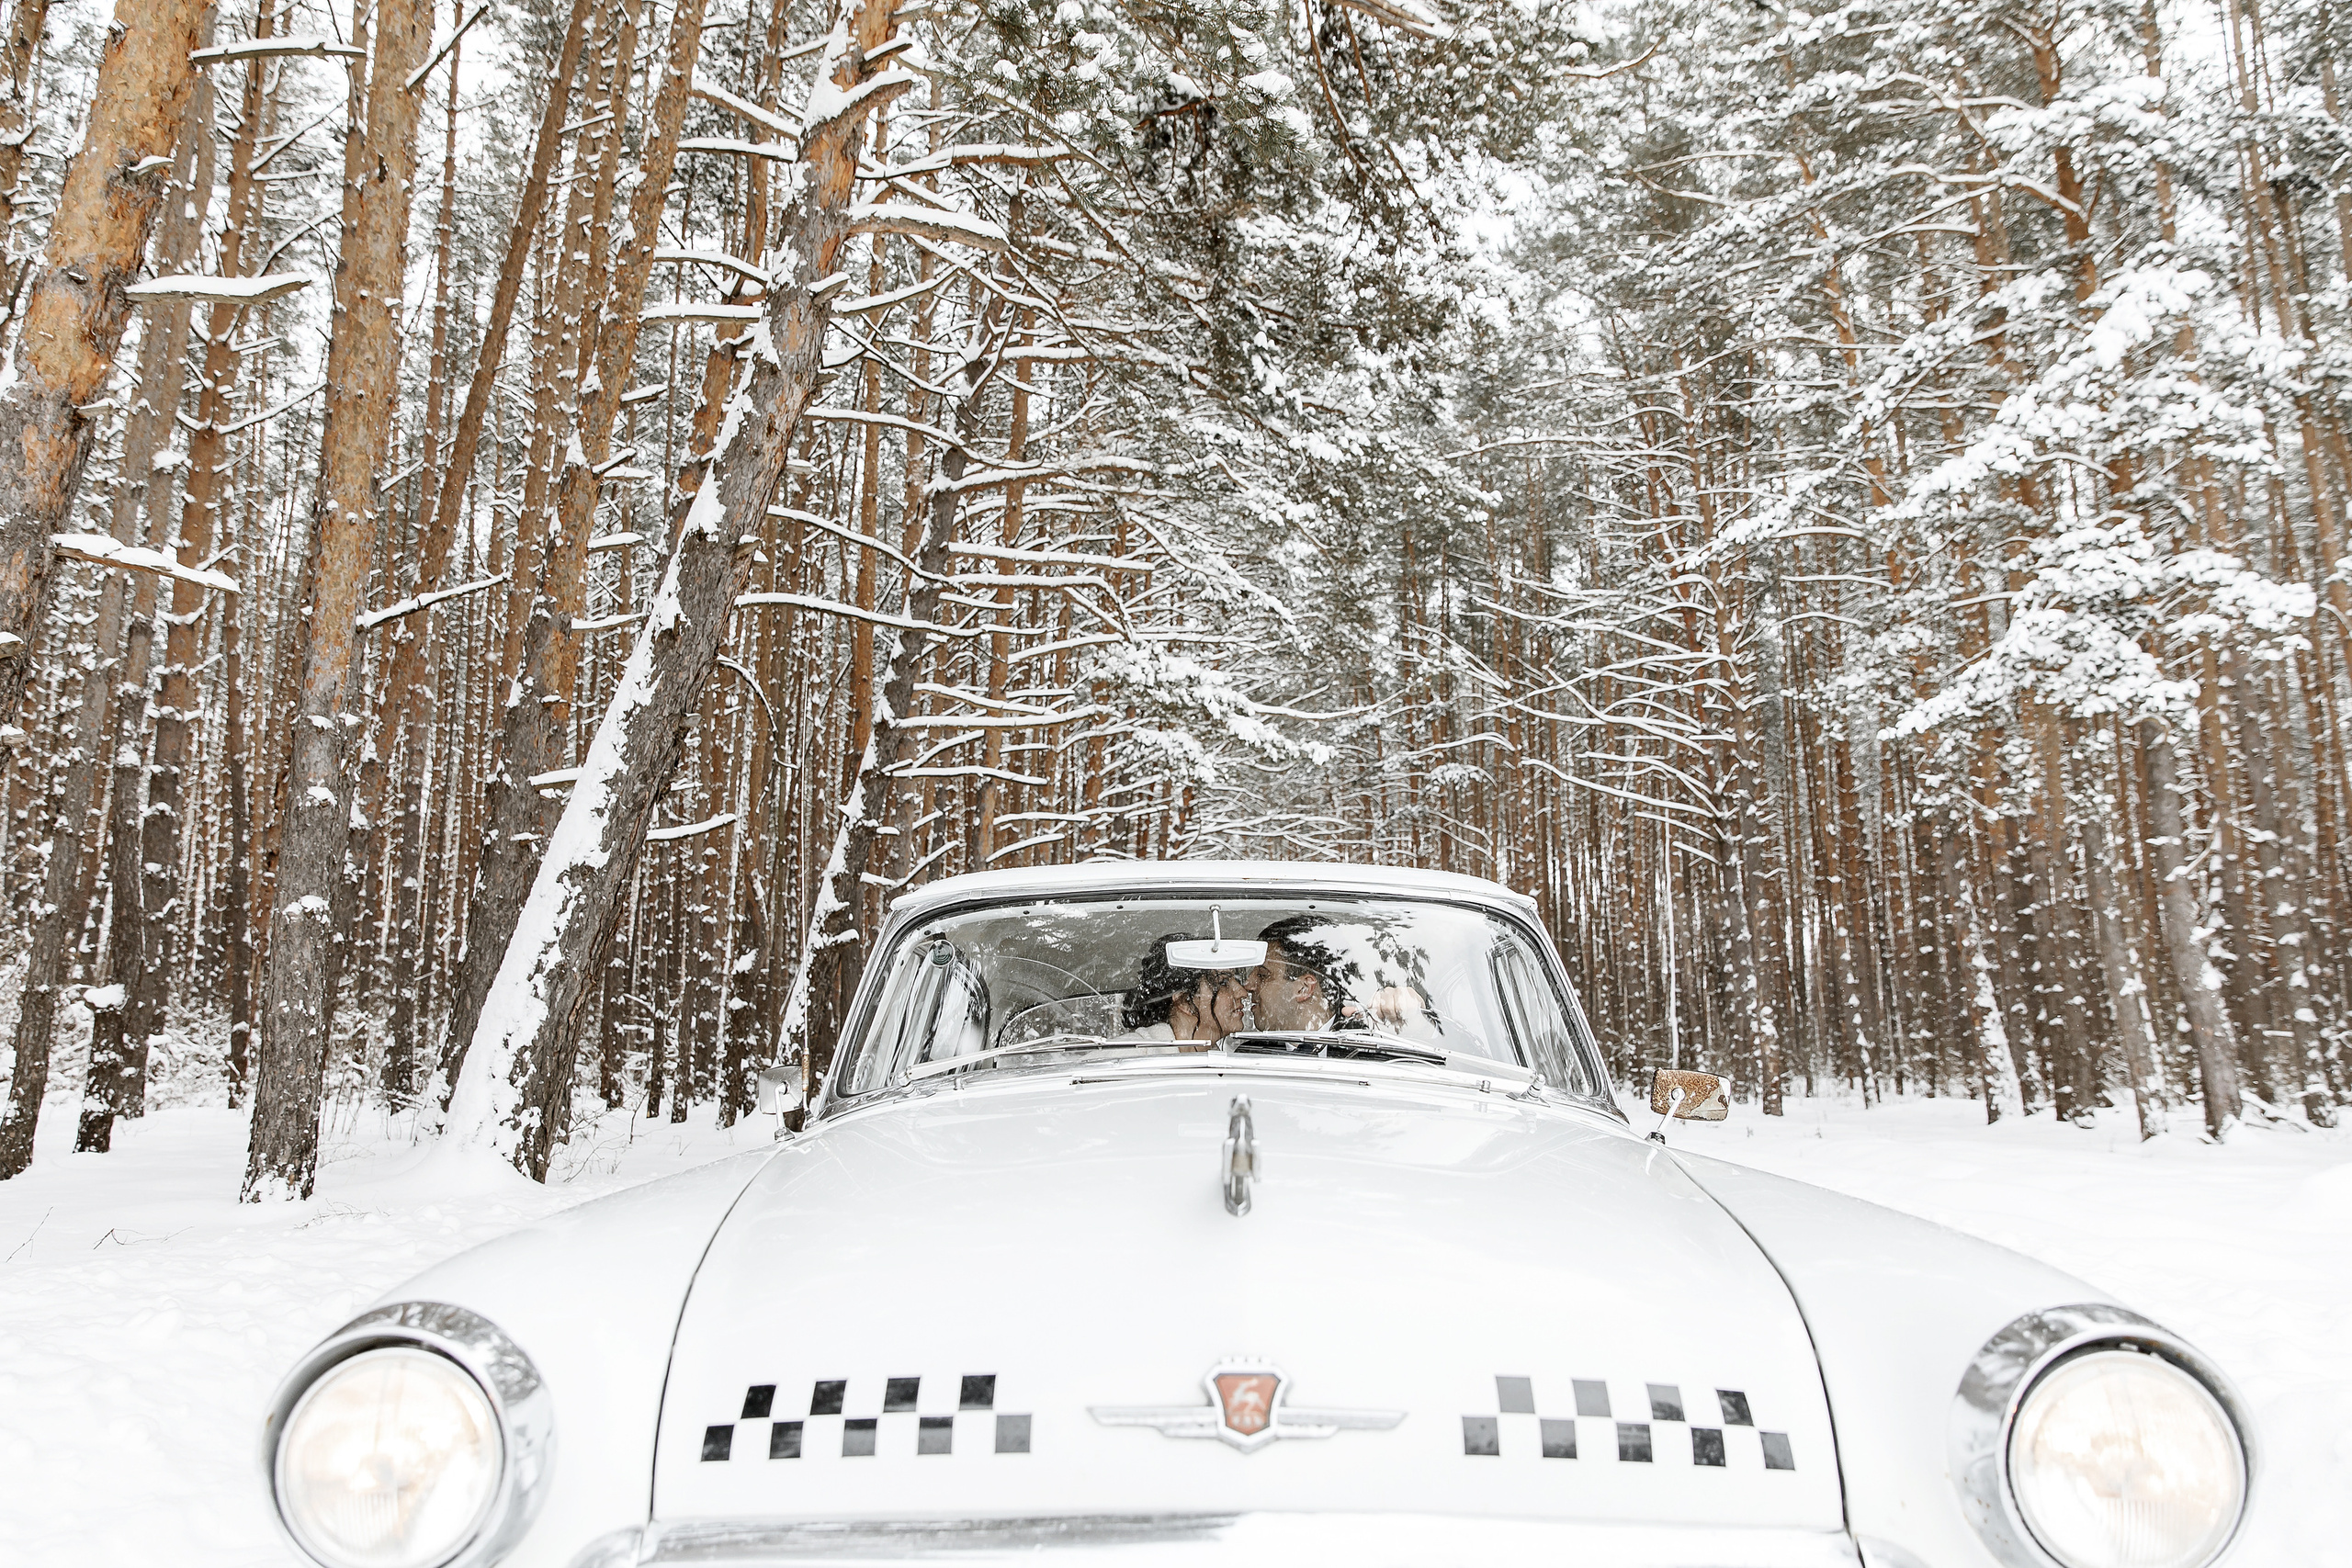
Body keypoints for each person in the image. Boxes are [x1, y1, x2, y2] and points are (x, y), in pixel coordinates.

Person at [1246, 915, 1430, 1037]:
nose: (1248, 985)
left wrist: (1417, 1023)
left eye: (1262, 975)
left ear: (1304, 988)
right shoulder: (1248, 1056)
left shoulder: (1373, 1040)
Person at [1122, 934, 1247, 1046]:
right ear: (1184, 1001)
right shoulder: (1131, 1054)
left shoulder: (1226, 1061)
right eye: (1223, 983)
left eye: (1237, 980)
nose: (1243, 993)